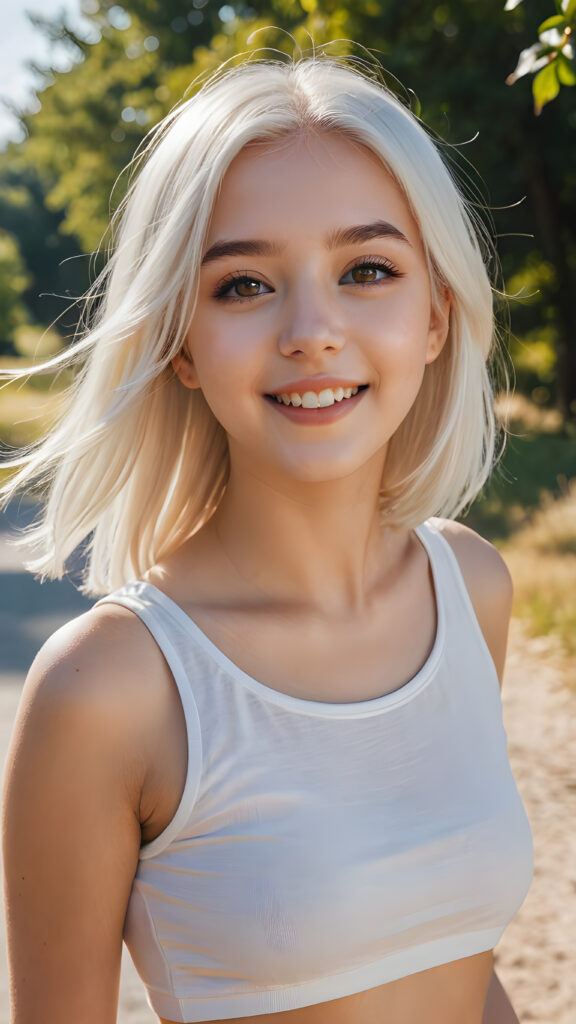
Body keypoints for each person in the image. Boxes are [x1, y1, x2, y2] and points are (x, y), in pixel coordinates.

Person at [1, 53, 533, 1024]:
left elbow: (461, 961)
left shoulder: (472, 586)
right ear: (180, 344)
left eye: (367, 269)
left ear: (435, 316)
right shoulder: (108, 689)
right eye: (244, 285)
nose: (312, 330)